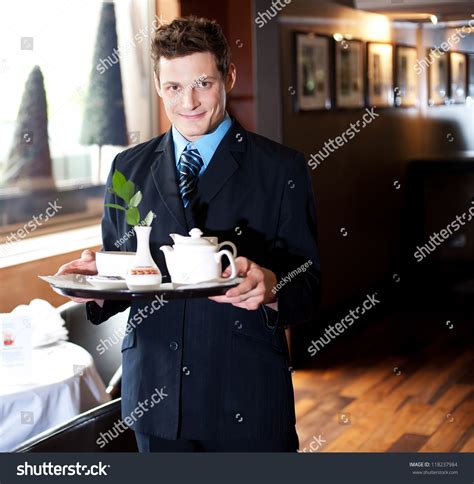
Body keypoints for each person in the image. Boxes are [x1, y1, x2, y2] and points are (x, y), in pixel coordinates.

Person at [57, 16, 321, 452]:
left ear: (228, 77)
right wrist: (95, 283)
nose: (189, 102)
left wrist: (273, 287)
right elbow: (124, 273)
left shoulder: (282, 169)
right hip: (155, 396)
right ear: (159, 86)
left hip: (246, 395)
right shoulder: (128, 167)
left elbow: (309, 287)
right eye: (174, 87)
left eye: (202, 83)